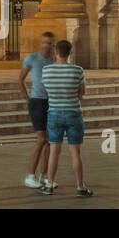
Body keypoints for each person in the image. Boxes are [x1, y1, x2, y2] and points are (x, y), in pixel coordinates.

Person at [40, 40, 92, 196]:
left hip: (54, 113)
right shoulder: (78, 70)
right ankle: (80, 187)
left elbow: (46, 92)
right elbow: (82, 93)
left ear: (56, 52)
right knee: (75, 153)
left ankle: (49, 185)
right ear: (70, 52)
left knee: (54, 151)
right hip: (73, 113)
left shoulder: (46, 71)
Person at [20, 32, 56, 189]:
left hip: (52, 102)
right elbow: (20, 79)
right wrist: (28, 100)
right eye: (45, 42)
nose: (48, 45)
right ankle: (30, 176)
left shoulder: (56, 60)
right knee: (41, 139)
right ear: (41, 43)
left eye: (51, 43)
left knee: (50, 141)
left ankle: (44, 176)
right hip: (37, 102)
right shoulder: (33, 58)